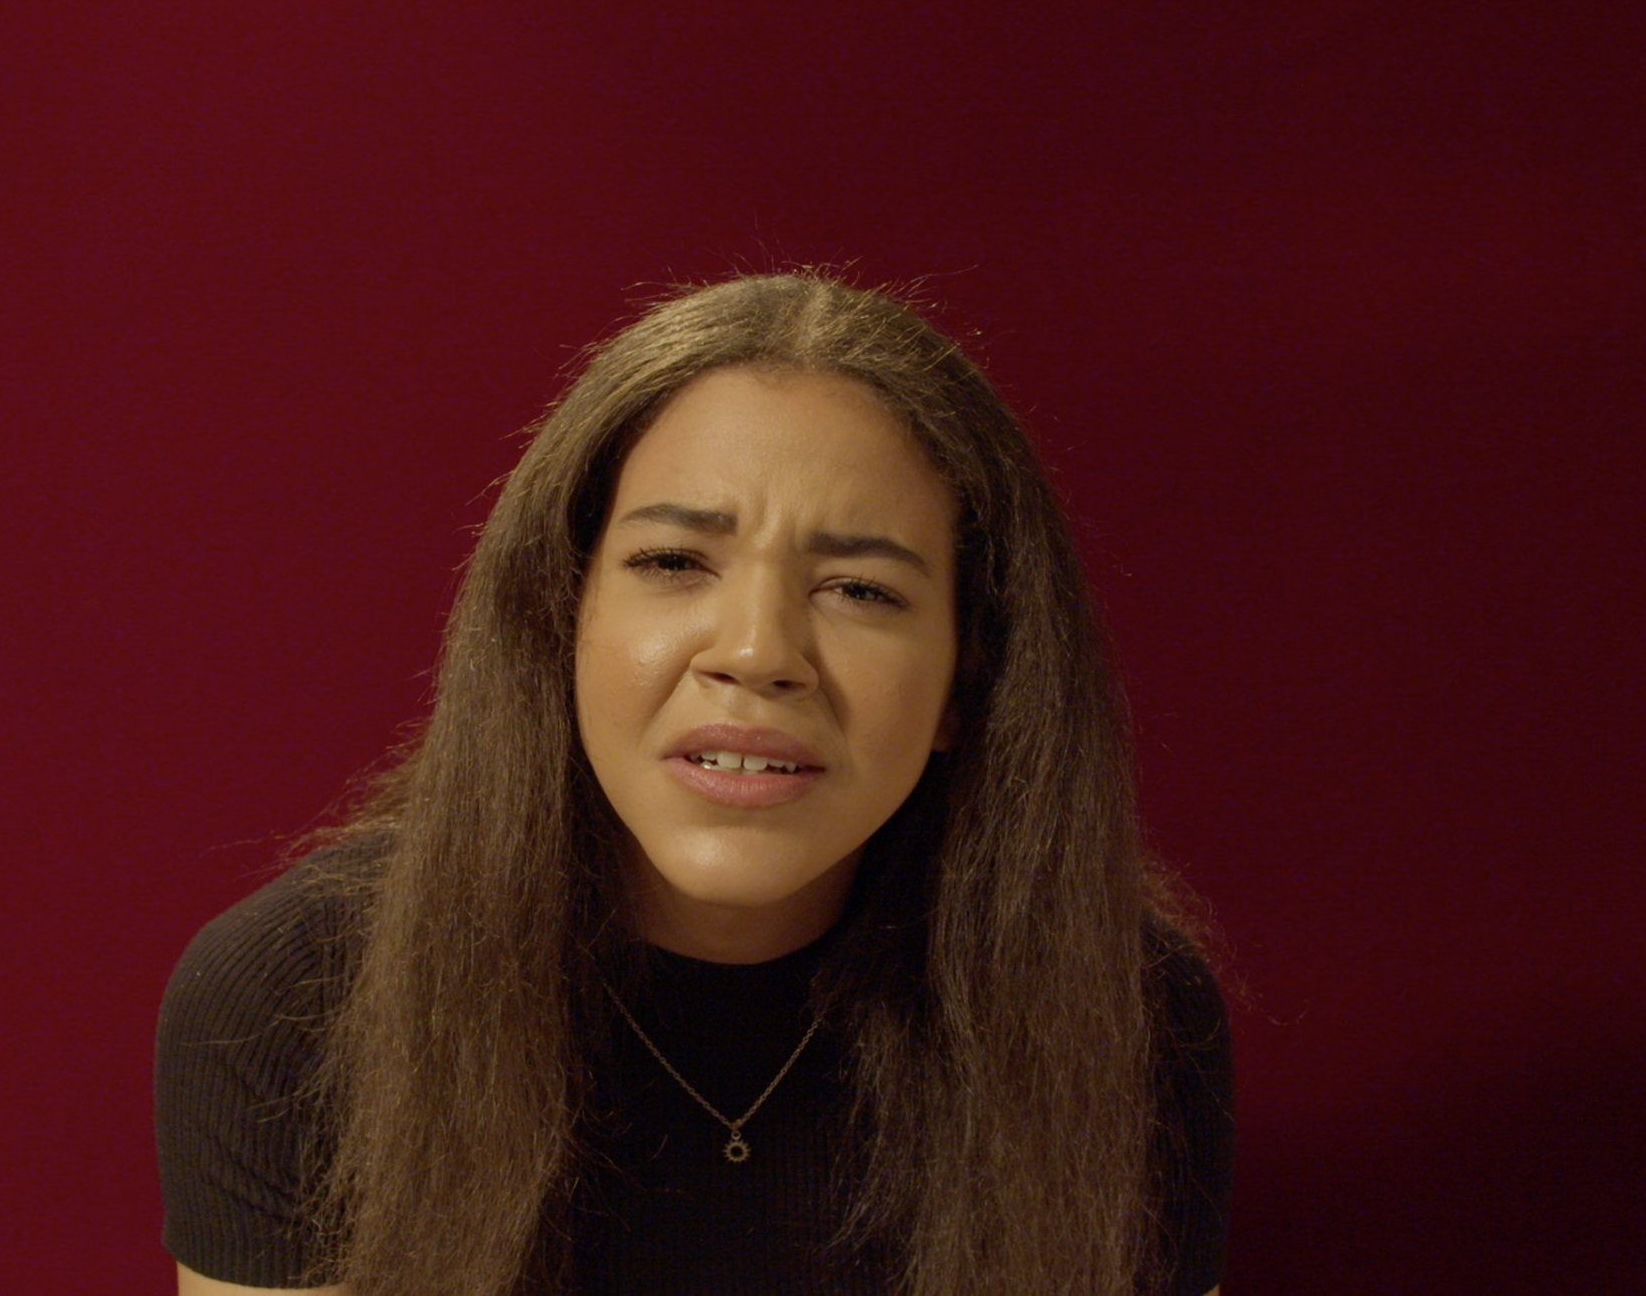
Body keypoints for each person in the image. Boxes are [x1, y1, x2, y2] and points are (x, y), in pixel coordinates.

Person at [156, 273, 1232, 1296]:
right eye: (674, 563)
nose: (758, 651)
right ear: (558, 622)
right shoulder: (291, 997)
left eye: (859, 588)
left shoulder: (1121, 1008)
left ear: (968, 679)